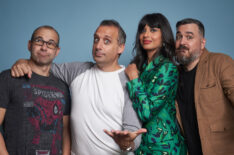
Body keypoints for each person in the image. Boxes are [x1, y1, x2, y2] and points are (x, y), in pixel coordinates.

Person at [11, 20, 146, 155]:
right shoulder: (77, 71)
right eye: (96, 39)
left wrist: (126, 144)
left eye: (106, 41)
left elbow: (134, 136)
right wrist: (22, 62)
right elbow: (41, 65)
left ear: (120, 47)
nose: (98, 46)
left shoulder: (129, 81)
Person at [0, 25, 71, 155]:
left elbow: (65, 130)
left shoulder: (62, 87)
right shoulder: (8, 78)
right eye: (39, 41)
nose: (44, 47)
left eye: (50, 44)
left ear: (57, 51)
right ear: (29, 45)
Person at [125, 13, 187, 154]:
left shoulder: (167, 68)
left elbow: (146, 112)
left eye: (153, 30)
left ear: (163, 35)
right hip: (142, 145)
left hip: (164, 145)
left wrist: (134, 79)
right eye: (143, 30)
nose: (146, 35)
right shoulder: (140, 67)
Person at [175, 18, 234, 155]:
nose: (182, 42)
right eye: (179, 37)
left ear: (202, 43)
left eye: (189, 37)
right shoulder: (173, 75)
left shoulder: (220, 63)